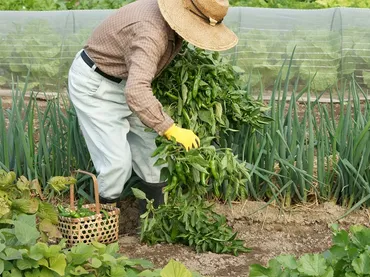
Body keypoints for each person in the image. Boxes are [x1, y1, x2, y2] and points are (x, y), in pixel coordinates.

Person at [67, 0, 238, 211]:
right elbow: (137, 91)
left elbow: (136, 86)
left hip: (126, 81)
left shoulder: (170, 20)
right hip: (97, 87)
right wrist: (170, 129)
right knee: (116, 165)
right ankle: (100, 230)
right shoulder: (151, 33)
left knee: (153, 154)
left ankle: (154, 222)